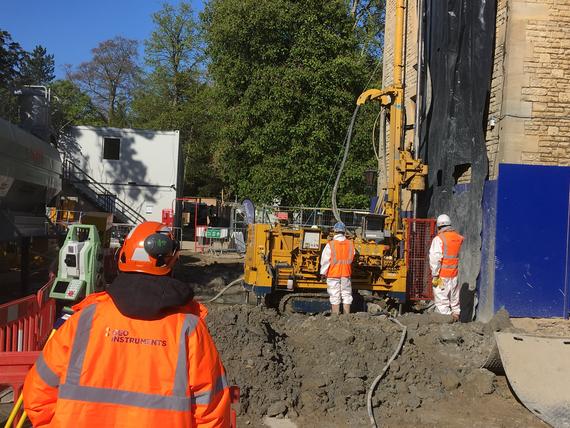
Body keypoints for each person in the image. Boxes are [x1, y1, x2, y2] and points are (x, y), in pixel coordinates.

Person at [23, 221, 230, 427]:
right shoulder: (189, 330)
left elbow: (37, 397)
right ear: (172, 262)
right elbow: (212, 415)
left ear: (122, 257)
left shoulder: (83, 321)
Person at [429, 214, 464, 321]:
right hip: (454, 275)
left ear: (439, 226)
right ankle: (456, 318)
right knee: (454, 300)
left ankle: (447, 323)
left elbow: (435, 259)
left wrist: (435, 275)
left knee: (442, 301)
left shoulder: (439, 239)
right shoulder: (458, 238)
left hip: (442, 276)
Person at [320, 221, 355, 315]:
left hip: (333, 273)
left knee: (334, 295)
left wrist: (323, 273)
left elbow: (325, 261)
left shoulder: (330, 244)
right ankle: (346, 316)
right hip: (346, 273)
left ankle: (335, 317)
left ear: (334, 231)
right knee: (346, 294)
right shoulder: (350, 244)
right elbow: (352, 257)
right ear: (344, 232)